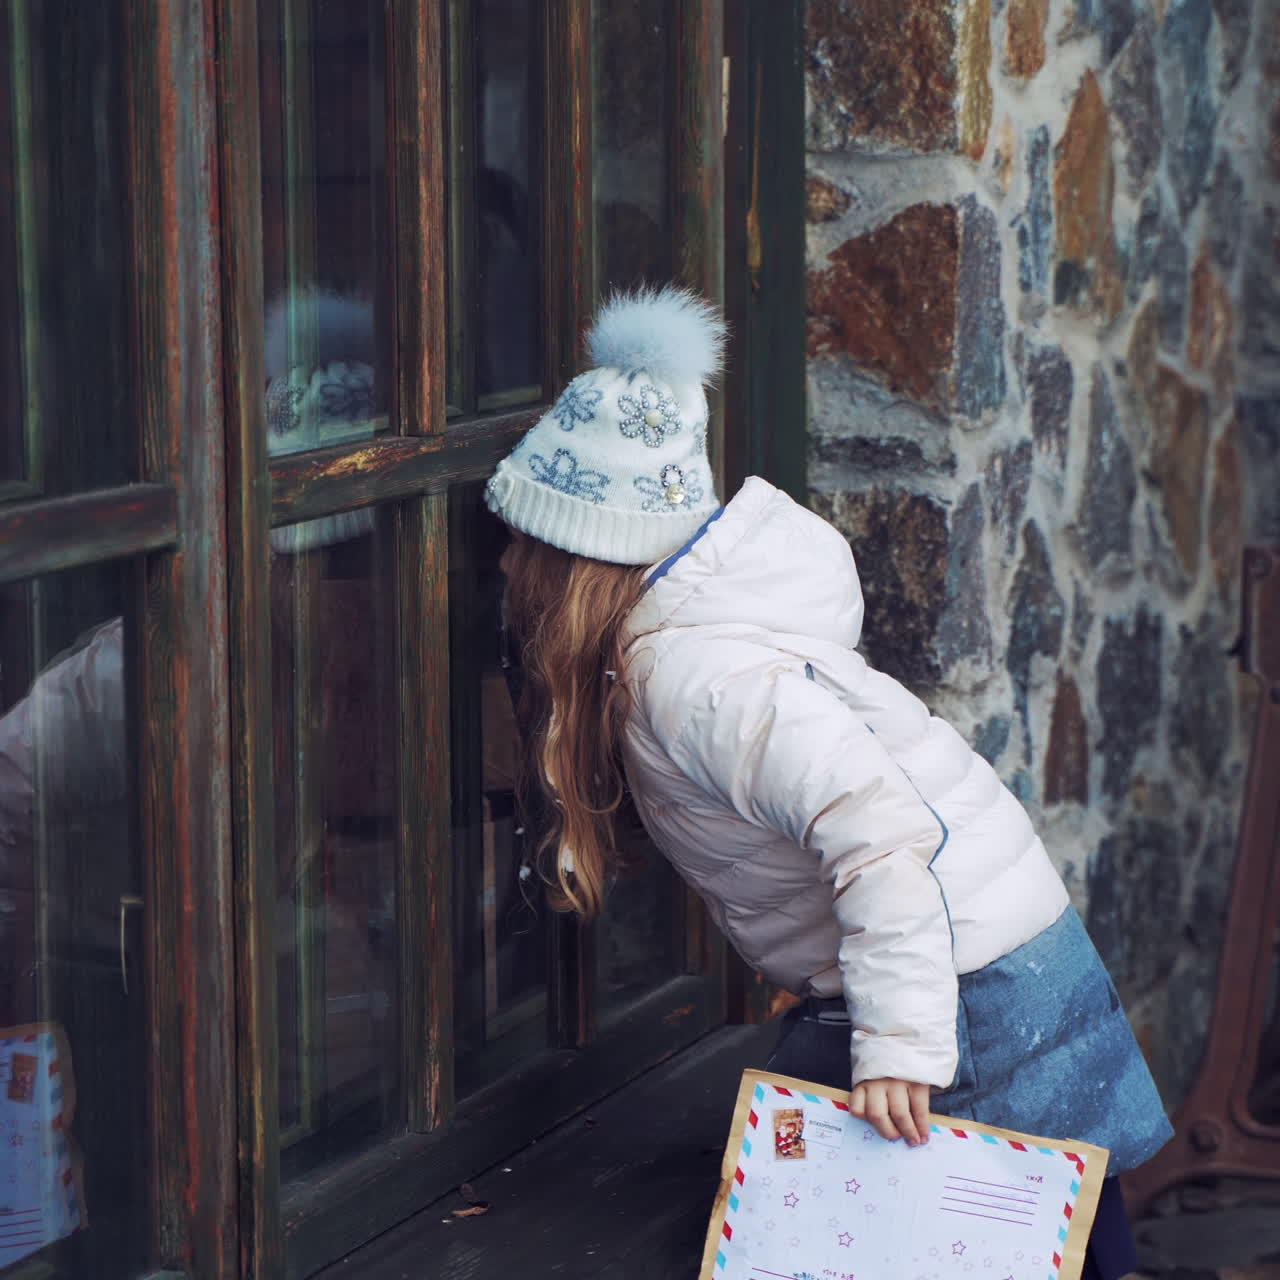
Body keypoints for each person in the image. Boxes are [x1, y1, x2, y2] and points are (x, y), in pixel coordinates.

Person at [486, 286, 1173, 1280]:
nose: (505, 564)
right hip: (990, 950)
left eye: (522, 542)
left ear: (573, 565)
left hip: (959, 986)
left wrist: (894, 1038)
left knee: (981, 1224)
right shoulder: (691, 651)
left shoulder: (693, 679)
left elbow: (878, 829)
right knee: (1047, 1215)